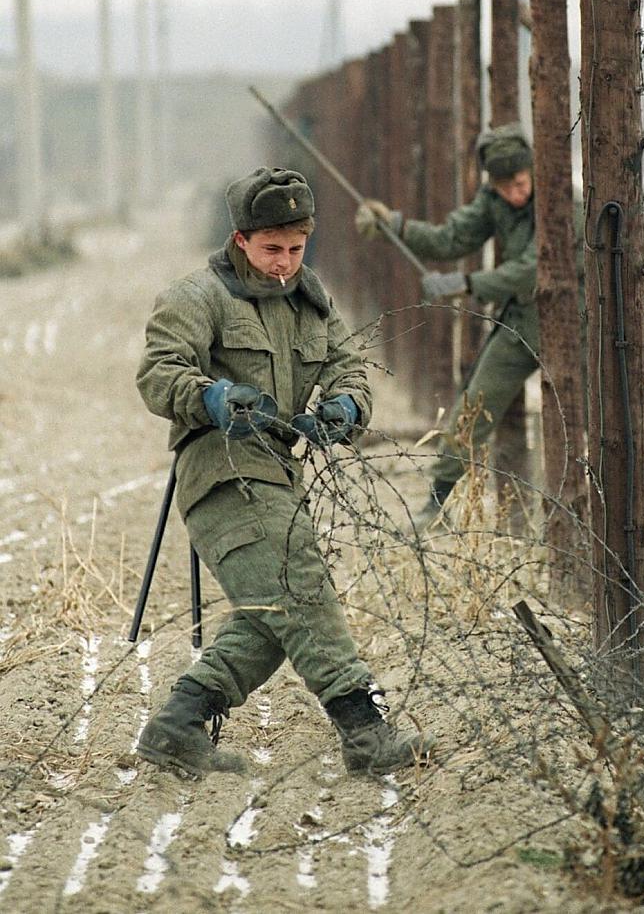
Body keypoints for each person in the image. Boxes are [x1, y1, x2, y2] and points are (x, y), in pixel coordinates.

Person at [135, 166, 433, 778]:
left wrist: (346, 407)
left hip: (278, 472)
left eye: (297, 249)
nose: (285, 264)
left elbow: (350, 367)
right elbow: (158, 374)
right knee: (298, 587)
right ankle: (364, 730)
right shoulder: (195, 296)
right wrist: (213, 396)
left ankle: (177, 727)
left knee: (273, 613)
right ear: (241, 239)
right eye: (272, 249)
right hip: (218, 470)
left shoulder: (311, 301)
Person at [355, 122, 538, 526]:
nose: (514, 194)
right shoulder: (495, 199)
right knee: (472, 407)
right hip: (524, 322)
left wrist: (467, 284)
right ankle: (437, 505)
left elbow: (532, 270)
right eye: (505, 187)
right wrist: (396, 226)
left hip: (576, 321)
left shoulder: (560, 199)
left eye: (521, 184)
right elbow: (451, 239)